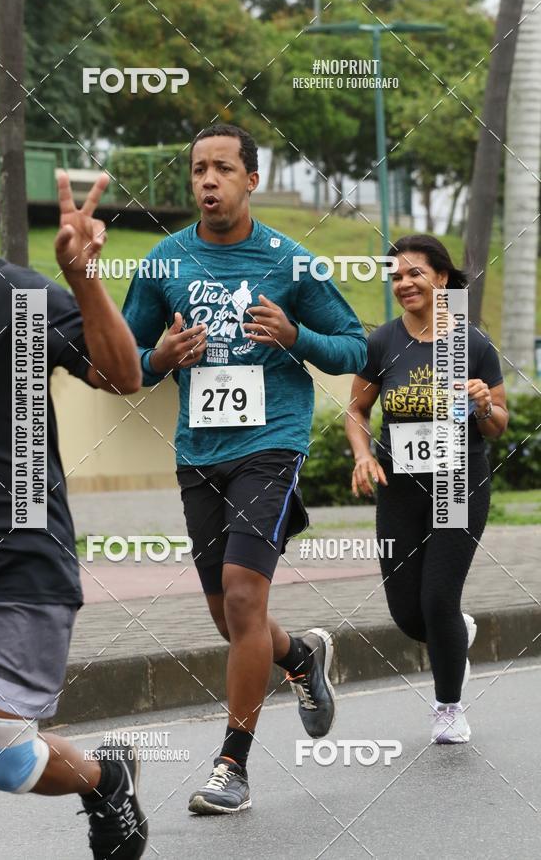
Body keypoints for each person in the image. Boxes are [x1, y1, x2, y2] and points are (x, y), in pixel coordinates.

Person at [122, 123, 367, 814]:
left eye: (223, 168)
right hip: (199, 450)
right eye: (199, 168)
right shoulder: (165, 262)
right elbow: (122, 359)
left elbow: (353, 349)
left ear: (251, 180)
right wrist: (159, 360)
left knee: (240, 595)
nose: (208, 180)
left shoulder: (292, 263)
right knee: (228, 617)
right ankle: (299, 657)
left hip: (272, 441)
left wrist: (297, 337)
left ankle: (233, 764)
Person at [0, 136, 147, 859]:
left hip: (15, 555)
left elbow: (123, 377)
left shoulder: (18, 298)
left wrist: (85, 279)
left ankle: (104, 780)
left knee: (3, 759)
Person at [346, 234, 508, 744]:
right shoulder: (382, 343)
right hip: (398, 487)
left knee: (437, 599)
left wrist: (483, 404)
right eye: (395, 277)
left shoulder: (473, 345)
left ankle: (448, 706)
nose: (403, 284)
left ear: (441, 277)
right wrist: (363, 454)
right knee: (407, 612)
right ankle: (458, 631)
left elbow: (499, 423)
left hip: (458, 482)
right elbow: (357, 410)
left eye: (414, 273)